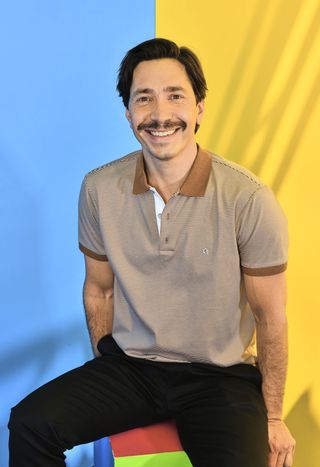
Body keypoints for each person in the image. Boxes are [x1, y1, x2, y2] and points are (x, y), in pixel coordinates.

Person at [9, 38, 296, 467]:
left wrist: (273, 416)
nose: (160, 115)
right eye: (144, 99)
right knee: (30, 424)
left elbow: (270, 316)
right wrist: (109, 362)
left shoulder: (248, 198)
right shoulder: (99, 189)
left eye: (175, 96)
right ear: (128, 113)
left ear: (199, 108)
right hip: (134, 370)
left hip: (220, 379)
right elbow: (99, 291)